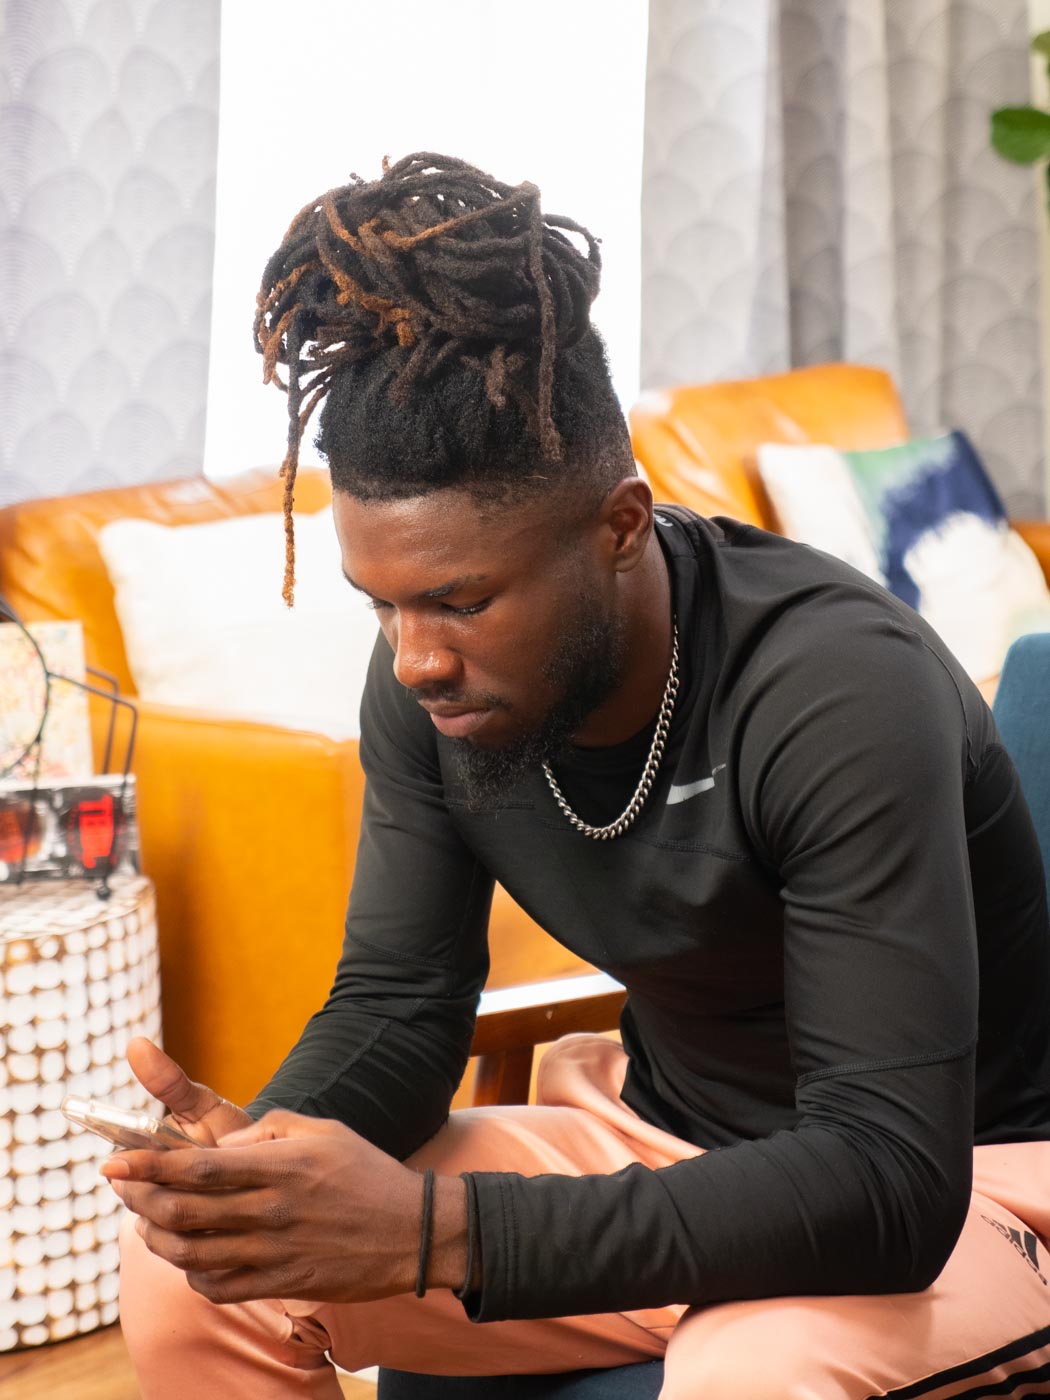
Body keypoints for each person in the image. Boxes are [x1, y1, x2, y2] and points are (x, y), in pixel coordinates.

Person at [114, 153, 1050, 1399]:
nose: (419, 658)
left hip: (974, 1183)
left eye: (461, 599)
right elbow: (400, 999)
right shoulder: (427, 680)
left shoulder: (835, 688)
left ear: (618, 524)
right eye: (384, 604)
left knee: (751, 1365)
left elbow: (887, 1173)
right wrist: (259, 1166)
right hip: (658, 1140)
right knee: (190, 1277)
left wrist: (439, 1231)